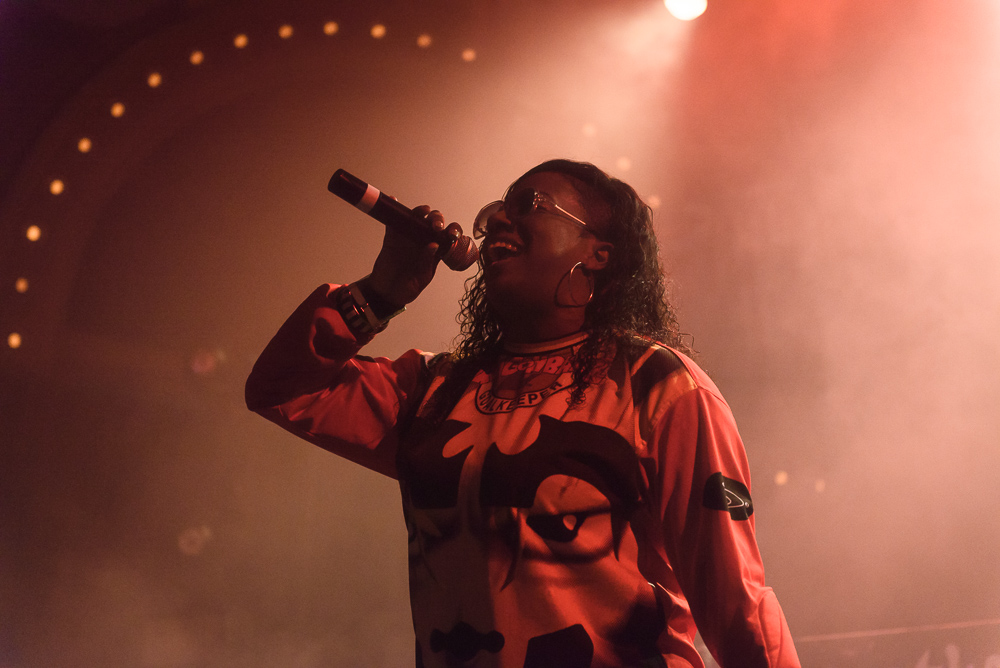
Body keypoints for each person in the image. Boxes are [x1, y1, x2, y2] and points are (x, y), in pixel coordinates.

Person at [245, 159, 800, 667]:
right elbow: (281, 389)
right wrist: (381, 292)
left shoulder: (658, 386)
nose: (496, 222)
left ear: (597, 252)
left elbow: (736, 602)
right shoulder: (433, 387)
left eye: (527, 205)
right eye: (497, 211)